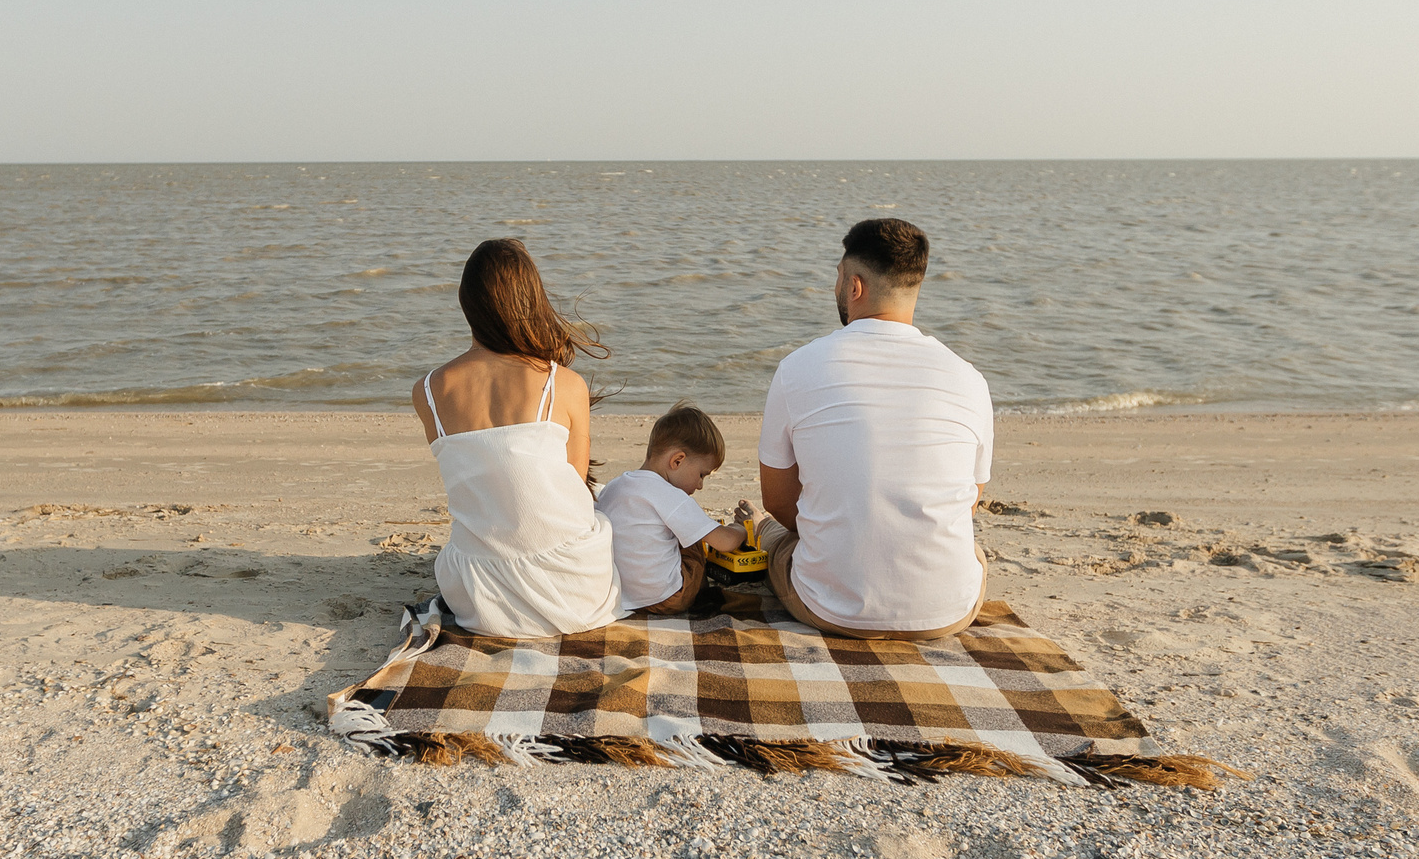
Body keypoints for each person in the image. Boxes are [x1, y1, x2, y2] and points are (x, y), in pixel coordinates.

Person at [755, 217, 993, 639]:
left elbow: (779, 502)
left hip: (829, 609)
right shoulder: (968, 377)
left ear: (854, 286)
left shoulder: (796, 369)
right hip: (946, 613)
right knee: (972, 550)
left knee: (776, 541)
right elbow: (968, 503)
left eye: (838, 277)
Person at [410, 239, 623, 638]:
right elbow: (574, 482)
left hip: (477, 596)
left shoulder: (428, 390)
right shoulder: (563, 384)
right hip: (573, 589)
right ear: (531, 302)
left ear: (466, 304)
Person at [595, 402, 754, 615]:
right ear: (677, 461)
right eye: (701, 475)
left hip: (622, 593)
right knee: (696, 536)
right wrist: (740, 529)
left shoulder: (614, 486)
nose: (700, 485)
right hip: (669, 597)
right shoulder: (670, 495)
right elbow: (724, 542)